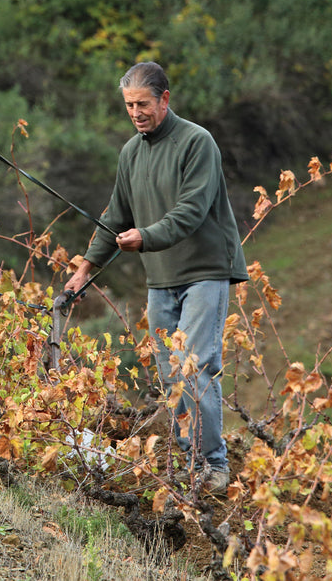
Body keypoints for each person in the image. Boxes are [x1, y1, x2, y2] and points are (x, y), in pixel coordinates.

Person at [64, 61, 248, 494]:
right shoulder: (130, 153)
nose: (135, 112)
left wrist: (145, 237)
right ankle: (190, 462)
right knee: (170, 376)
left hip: (205, 271)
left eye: (143, 103)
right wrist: (85, 269)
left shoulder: (196, 142)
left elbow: (191, 210)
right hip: (160, 280)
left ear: (164, 99)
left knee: (195, 367)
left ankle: (214, 466)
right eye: (129, 105)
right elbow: (114, 216)